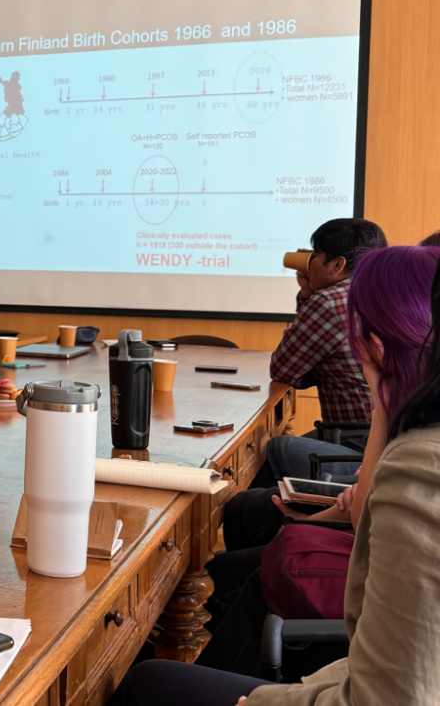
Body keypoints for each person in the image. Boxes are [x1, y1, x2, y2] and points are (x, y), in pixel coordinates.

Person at [107, 247, 440, 706]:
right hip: (358, 666)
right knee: (250, 544)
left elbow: (393, 694)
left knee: (150, 681)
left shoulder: (420, 465)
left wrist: (260, 702)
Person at [197, 245, 439, 678]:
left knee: (253, 539)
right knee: (252, 553)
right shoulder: (416, 412)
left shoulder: (417, 455)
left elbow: (394, 676)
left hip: (359, 659)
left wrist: (382, 405)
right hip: (361, 639)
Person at [257, 218, 387, 486]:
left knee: (268, 452)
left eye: (314, 255)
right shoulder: (382, 292)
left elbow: (283, 369)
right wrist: (308, 293)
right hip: (386, 435)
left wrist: (309, 296)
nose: (308, 262)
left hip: (358, 440)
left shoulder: (330, 301)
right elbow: (301, 374)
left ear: (337, 265)